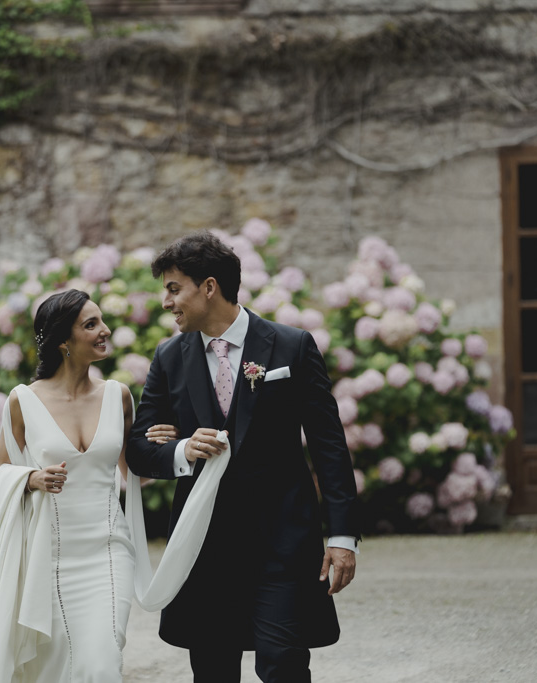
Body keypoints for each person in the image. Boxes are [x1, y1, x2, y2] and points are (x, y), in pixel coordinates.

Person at [126, 231, 360, 683]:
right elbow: (139, 450)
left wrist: (343, 537)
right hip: (204, 549)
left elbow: (329, 446)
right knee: (213, 671)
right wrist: (180, 450)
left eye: (174, 289)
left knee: (283, 664)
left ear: (208, 287)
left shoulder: (291, 346)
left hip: (284, 545)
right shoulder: (169, 357)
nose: (165, 302)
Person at [0, 289, 181, 683]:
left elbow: (133, 470)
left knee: (101, 664)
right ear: (62, 341)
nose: (105, 330)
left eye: (102, 320)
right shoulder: (22, 401)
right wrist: (30, 478)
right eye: (91, 324)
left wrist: (165, 447)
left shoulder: (118, 396)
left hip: (108, 551)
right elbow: (2, 476)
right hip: (47, 556)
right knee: (52, 668)